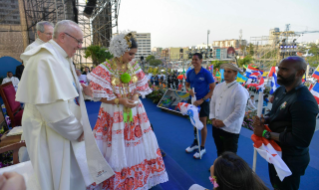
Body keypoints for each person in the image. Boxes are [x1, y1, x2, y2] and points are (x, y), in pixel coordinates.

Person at [16, 20, 114, 190]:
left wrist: (81, 89)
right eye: (78, 41)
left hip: (62, 127)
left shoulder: (60, 56)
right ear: (63, 36)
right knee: (56, 177)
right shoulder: (44, 59)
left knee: (69, 174)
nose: (80, 46)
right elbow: (52, 110)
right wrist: (77, 131)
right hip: (49, 131)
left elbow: (65, 87)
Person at [87, 32, 168, 189]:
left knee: (135, 142)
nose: (132, 57)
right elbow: (99, 95)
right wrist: (120, 100)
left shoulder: (134, 66)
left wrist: (135, 96)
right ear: (119, 49)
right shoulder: (104, 69)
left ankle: (135, 180)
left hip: (134, 110)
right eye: (130, 53)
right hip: (113, 112)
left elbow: (140, 86)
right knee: (114, 145)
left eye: (134, 54)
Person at [253, 56, 318, 190]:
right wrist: (265, 119)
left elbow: (300, 140)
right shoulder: (280, 90)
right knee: (276, 185)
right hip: (275, 151)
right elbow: (275, 115)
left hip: (290, 160)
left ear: (300, 72)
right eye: (279, 68)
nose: (279, 72)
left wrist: (265, 133)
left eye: (284, 69)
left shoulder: (304, 101)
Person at [209, 63, 249, 157]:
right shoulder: (218, 87)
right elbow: (212, 102)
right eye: (225, 71)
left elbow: (239, 111)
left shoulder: (239, 90)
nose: (226, 74)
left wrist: (224, 122)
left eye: (229, 72)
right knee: (219, 150)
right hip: (216, 126)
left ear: (235, 74)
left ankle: (227, 171)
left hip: (231, 130)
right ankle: (219, 169)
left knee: (230, 155)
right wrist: (213, 118)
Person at [185, 53, 215, 159]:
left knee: (202, 124)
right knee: (194, 122)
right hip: (193, 102)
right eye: (193, 59)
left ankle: (202, 147)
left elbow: (213, 88)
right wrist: (189, 91)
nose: (194, 61)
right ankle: (195, 142)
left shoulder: (206, 73)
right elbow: (187, 84)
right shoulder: (190, 72)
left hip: (203, 102)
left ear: (201, 60)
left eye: (196, 59)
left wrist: (203, 99)